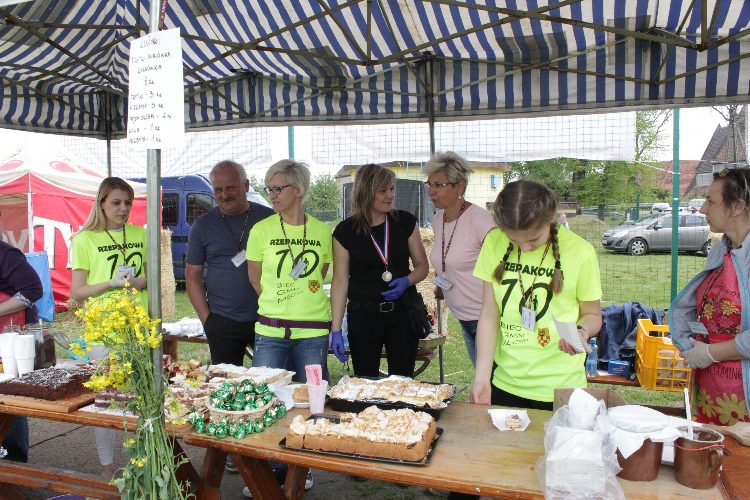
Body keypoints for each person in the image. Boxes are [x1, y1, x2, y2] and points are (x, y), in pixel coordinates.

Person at [471, 179, 602, 410]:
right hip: (506, 382)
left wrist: (582, 331)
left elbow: (593, 314)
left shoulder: (581, 252)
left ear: (550, 220)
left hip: (562, 387)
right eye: (514, 240)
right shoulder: (493, 242)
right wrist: (482, 376)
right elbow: (489, 315)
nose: (524, 248)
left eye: (533, 239)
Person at [246, 159, 333, 496]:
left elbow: (320, 274)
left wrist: (299, 302)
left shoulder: (322, 232)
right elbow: (255, 277)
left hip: (312, 333)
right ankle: (271, 470)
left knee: (309, 402)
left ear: (298, 190)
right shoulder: (261, 230)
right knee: (265, 400)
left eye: (277, 188)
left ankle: (301, 468)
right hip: (270, 331)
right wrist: (278, 304)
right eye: (269, 189)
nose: (272, 195)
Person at [70, 176, 147, 478]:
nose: (123, 208)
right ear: (101, 203)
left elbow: (153, 275)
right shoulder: (85, 239)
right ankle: (106, 466)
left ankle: (142, 461)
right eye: (116, 202)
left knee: (141, 397)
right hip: (103, 331)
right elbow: (78, 291)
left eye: (128, 203)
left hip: (138, 327)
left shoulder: (140, 234)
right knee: (106, 399)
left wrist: (139, 281)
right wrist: (110, 284)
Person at [331, 163, 429, 378]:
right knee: (365, 381)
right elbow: (340, 281)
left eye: (392, 189)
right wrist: (336, 329)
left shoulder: (405, 222)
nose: (390, 195)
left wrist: (407, 281)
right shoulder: (345, 231)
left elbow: (423, 267)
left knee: (401, 381)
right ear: (366, 192)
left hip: (402, 314)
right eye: (383, 190)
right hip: (363, 317)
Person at [669, 167, 750, 425]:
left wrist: (711, 353)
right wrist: (690, 340)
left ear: (737, 207)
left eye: (711, 202)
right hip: (712, 390)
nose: (703, 209)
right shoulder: (722, 248)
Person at [186, 160, 273, 366]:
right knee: (226, 381)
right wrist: (208, 320)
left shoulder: (269, 219)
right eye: (218, 190)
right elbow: (192, 276)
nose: (224, 195)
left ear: (246, 186)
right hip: (222, 320)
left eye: (231, 188)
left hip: (267, 317)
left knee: (271, 378)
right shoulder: (203, 225)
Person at [425, 152, 496, 366]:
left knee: (491, 379)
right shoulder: (438, 219)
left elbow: (501, 267)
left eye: (438, 185)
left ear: (460, 187)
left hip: (486, 318)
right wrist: (442, 284)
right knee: (483, 375)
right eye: (429, 184)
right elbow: (447, 257)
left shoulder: (480, 221)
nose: (431, 192)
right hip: (464, 317)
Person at [0, 240, 43, 463]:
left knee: (10, 395)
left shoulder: (5, 254)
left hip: (13, 336)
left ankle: (14, 461)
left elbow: (33, 290)